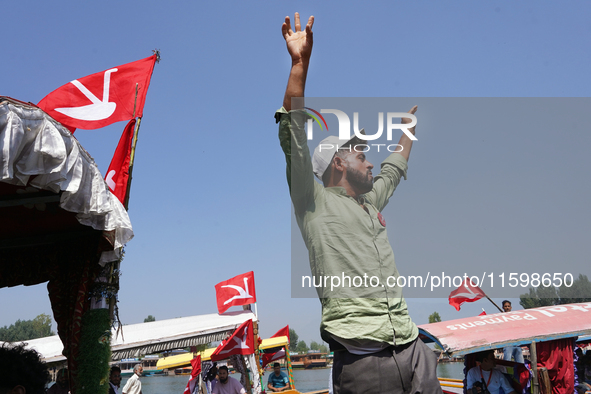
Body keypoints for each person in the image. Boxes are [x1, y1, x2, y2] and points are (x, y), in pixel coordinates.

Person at [277, 12, 440, 394]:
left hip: (412, 346)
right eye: (360, 155)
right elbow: (292, 133)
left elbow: (393, 171)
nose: (369, 160)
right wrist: (299, 65)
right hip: (363, 357)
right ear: (338, 163)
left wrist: (407, 134)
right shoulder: (311, 201)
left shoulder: (368, 203)